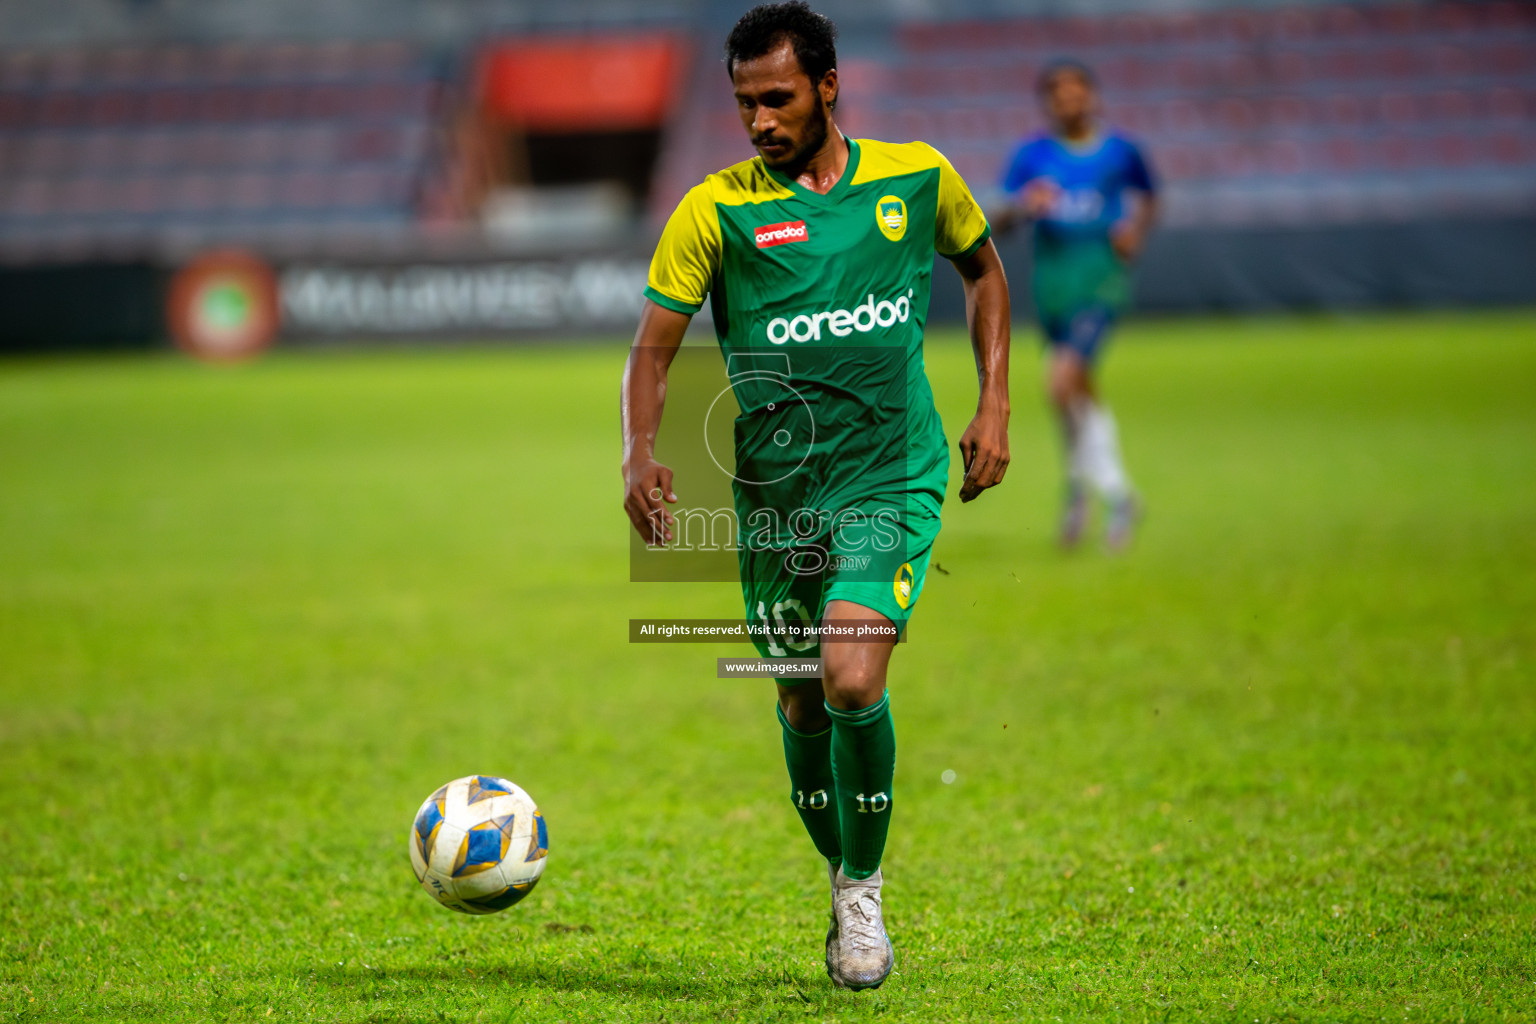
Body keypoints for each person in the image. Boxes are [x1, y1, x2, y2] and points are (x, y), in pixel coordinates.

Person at [620, 1, 1010, 992]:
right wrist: (641, 452)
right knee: (797, 699)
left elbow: (985, 272)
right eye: (745, 102)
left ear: (829, 86)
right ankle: (843, 869)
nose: (759, 120)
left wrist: (994, 400)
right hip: (773, 496)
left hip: (891, 470)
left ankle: (864, 892)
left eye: (778, 98)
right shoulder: (714, 209)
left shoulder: (916, 176)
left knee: (849, 675)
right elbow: (655, 347)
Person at [993, 59, 1157, 550]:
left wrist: (1134, 231)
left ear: (1092, 96)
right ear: (1047, 103)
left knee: (1060, 380)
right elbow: (997, 220)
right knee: (1075, 395)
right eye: (1058, 94)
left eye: (1076, 91)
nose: (1068, 101)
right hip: (1053, 289)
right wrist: (1025, 206)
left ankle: (1111, 494)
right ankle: (1090, 490)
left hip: (1100, 284)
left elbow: (1147, 195)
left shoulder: (1120, 151)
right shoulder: (1032, 156)